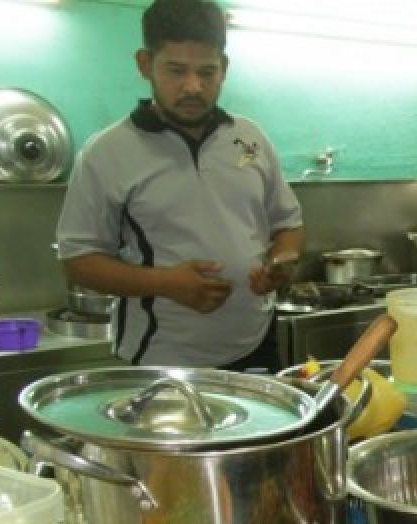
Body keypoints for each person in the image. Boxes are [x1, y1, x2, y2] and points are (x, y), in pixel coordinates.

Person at [56, 0, 303, 370]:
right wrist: (167, 283)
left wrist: (281, 263)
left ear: (225, 69)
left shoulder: (251, 138)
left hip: (255, 344)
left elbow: (288, 225)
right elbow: (78, 261)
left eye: (207, 72)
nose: (193, 86)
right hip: (161, 356)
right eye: (176, 70)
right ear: (145, 64)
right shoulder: (106, 153)